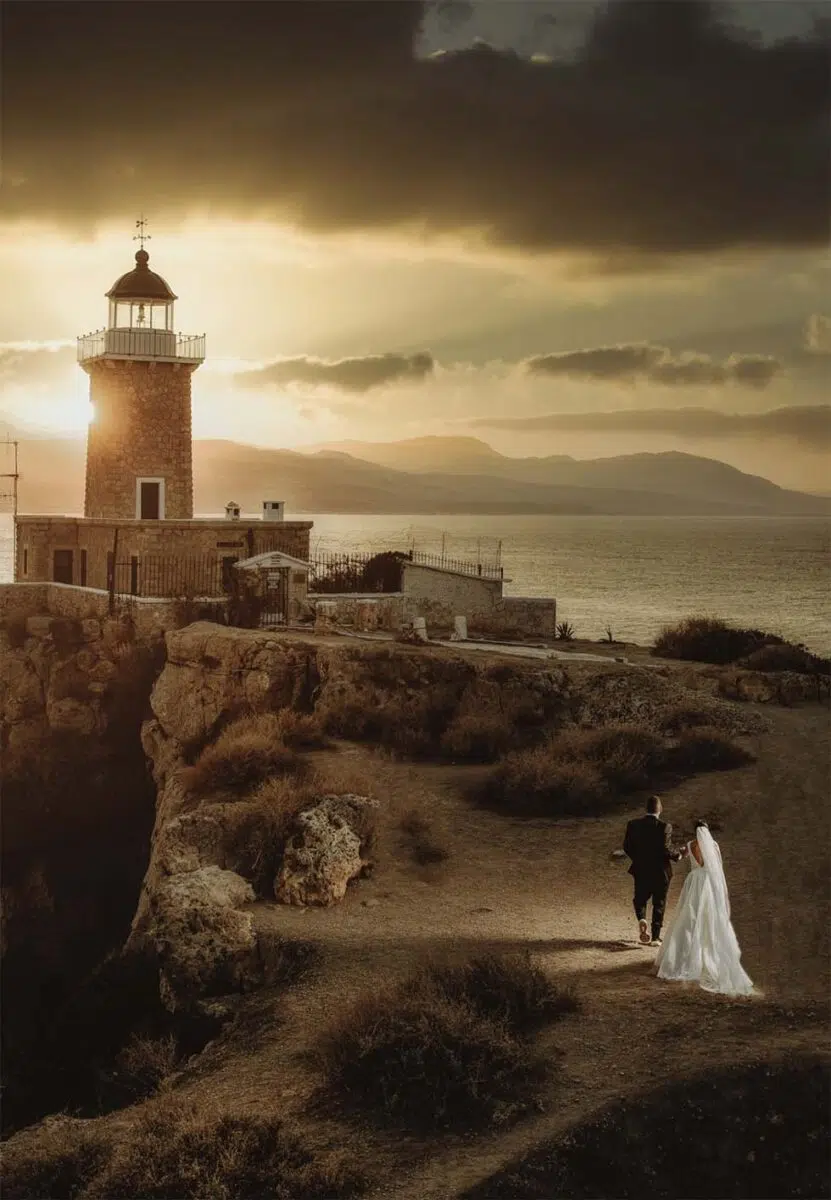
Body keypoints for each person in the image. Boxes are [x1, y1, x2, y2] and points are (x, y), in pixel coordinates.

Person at [657, 821, 754, 996]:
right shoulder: (714, 845)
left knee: (689, 916)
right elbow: (717, 868)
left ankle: (682, 956)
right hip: (708, 881)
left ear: (695, 831)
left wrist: (678, 853)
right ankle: (705, 952)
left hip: (694, 881)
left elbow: (682, 856)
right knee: (708, 916)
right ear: (707, 830)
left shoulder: (690, 844)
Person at [623, 795, 686, 947]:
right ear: (660, 809)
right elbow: (666, 849)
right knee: (659, 902)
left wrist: (638, 859)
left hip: (641, 868)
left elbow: (627, 847)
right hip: (661, 871)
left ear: (646, 809)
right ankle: (655, 938)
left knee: (640, 898)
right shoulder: (664, 826)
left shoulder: (633, 824)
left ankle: (641, 919)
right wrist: (679, 855)